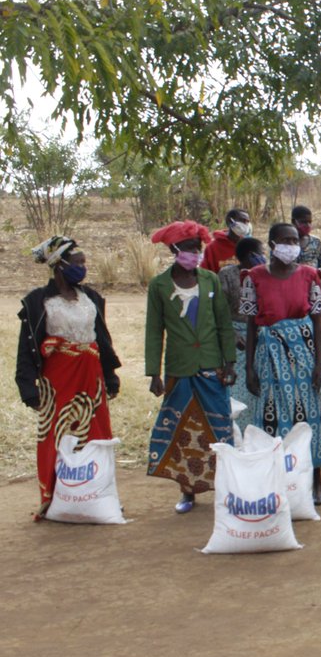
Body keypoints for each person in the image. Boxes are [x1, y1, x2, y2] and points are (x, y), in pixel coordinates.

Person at [17, 236, 120, 520]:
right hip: (58, 378)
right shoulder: (38, 302)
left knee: (96, 431)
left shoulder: (91, 298)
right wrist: (28, 388)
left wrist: (110, 375)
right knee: (56, 432)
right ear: (59, 265)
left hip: (91, 376)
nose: (82, 267)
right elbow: (26, 347)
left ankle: (97, 494)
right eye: (77, 262)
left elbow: (103, 339)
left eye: (84, 262)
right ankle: (54, 498)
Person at [145, 221, 238, 513]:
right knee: (182, 430)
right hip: (179, 367)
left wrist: (230, 362)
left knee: (219, 427)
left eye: (198, 248)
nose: (194, 254)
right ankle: (187, 491)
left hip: (212, 366)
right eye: (188, 248)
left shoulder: (210, 280)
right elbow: (154, 330)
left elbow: (223, 323)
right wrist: (153, 373)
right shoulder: (159, 285)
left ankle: (225, 488)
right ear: (174, 250)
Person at [240, 222, 321, 504]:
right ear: (271, 244)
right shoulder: (254, 277)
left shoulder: (310, 275)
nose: (291, 245)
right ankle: (275, 480)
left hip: (303, 352)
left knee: (308, 414)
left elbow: (317, 322)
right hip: (269, 354)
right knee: (271, 414)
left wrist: (320, 365)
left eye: (295, 240)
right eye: (285, 240)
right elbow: (251, 324)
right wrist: (249, 368)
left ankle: (316, 479)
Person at [218, 236, 266, 409]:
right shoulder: (227, 275)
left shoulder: (266, 274)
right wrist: (232, 335)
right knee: (237, 384)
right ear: (251, 255)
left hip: (261, 335)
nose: (264, 256)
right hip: (236, 336)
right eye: (261, 253)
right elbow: (219, 309)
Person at [199, 208, 252, 272]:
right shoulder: (212, 248)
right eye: (242, 220)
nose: (245, 225)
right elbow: (204, 273)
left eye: (247, 222)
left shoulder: (249, 247)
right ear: (230, 221)